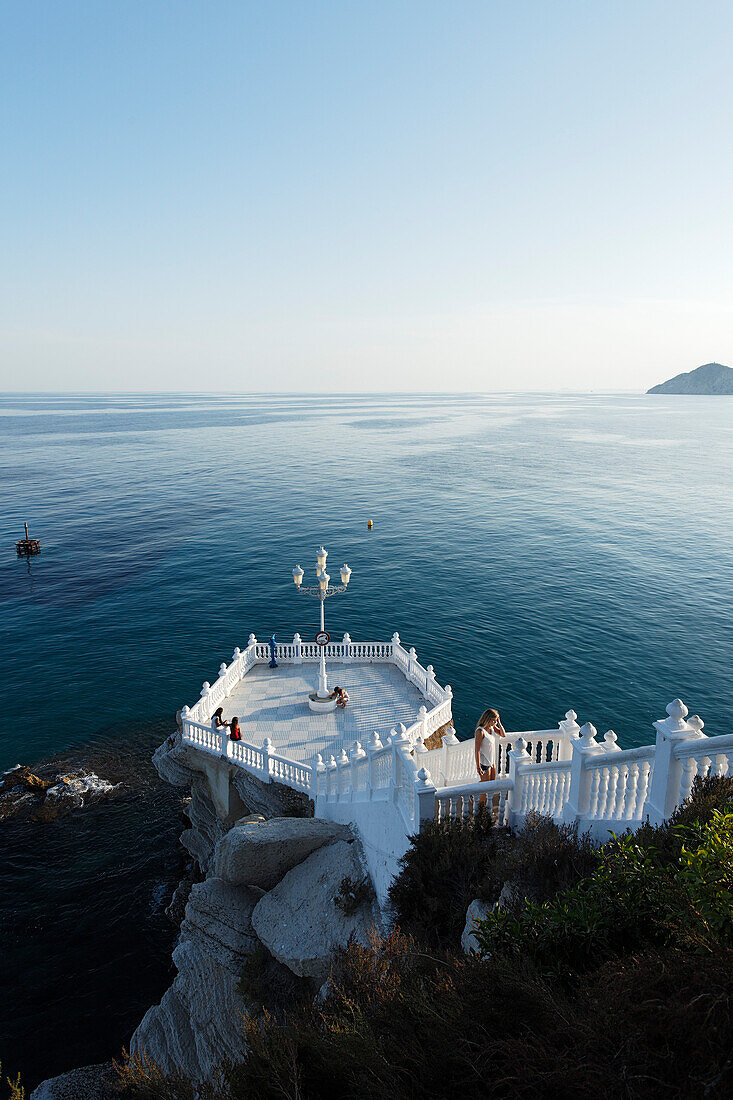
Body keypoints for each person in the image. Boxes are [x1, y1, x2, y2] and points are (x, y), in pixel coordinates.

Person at [474, 707, 506, 784]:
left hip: (492, 762)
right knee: (484, 789)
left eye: (496, 721)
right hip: (484, 763)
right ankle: (472, 795)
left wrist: (499, 723)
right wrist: (478, 767)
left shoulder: (492, 727)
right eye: (494, 721)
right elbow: (477, 750)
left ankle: (472, 794)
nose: (495, 723)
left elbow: (503, 734)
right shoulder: (480, 731)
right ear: (488, 719)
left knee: (491, 784)